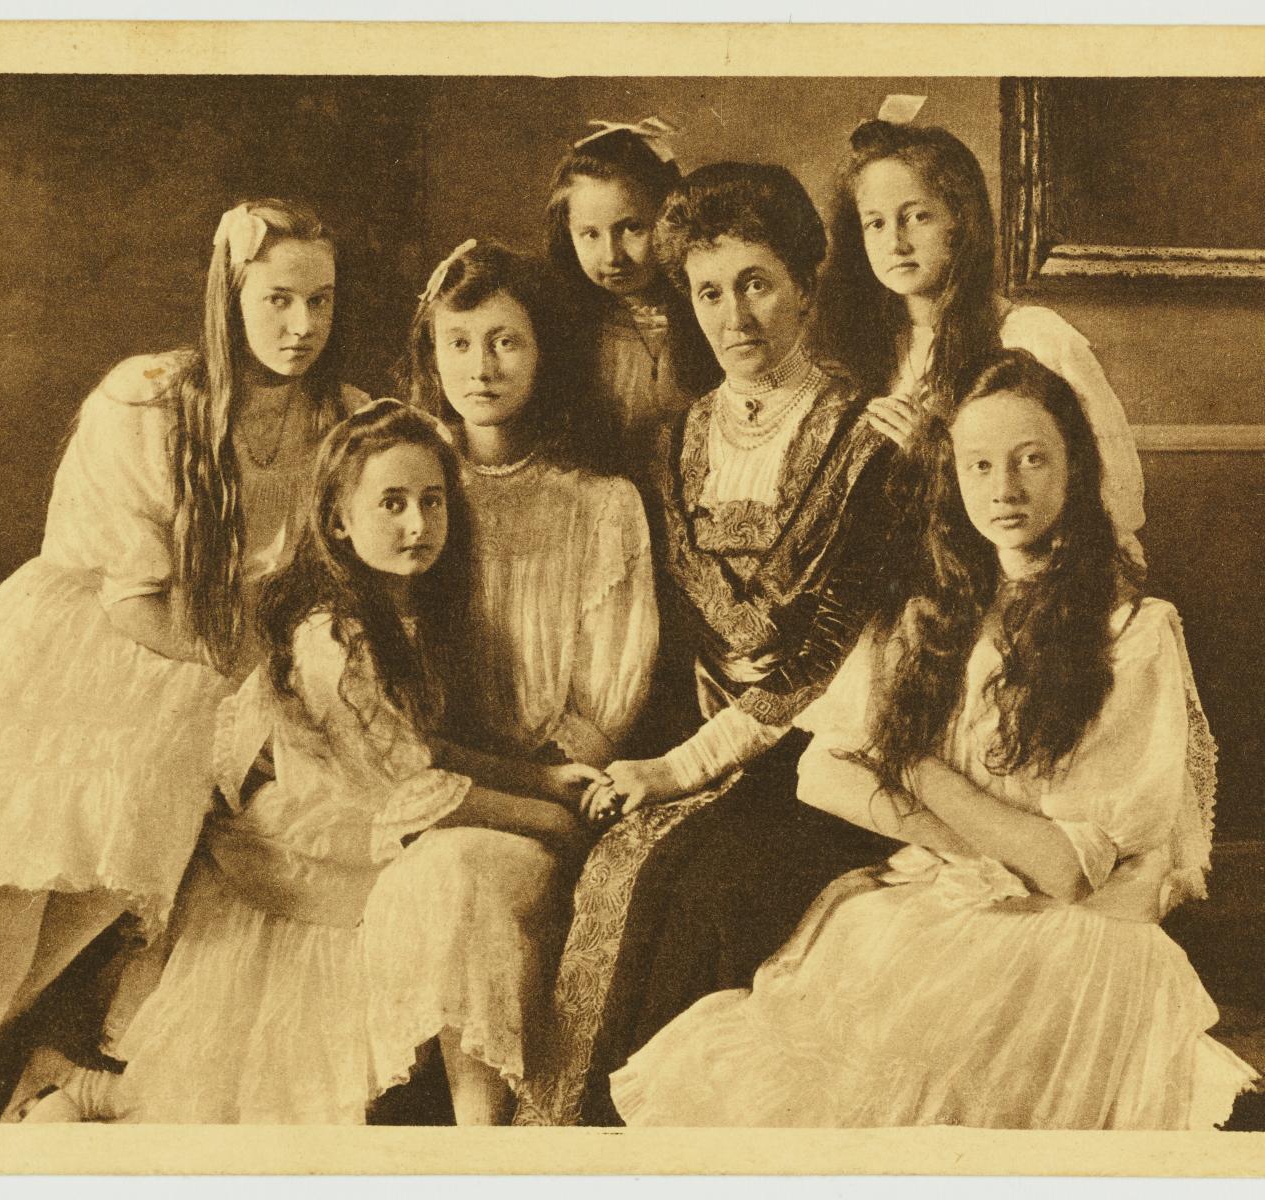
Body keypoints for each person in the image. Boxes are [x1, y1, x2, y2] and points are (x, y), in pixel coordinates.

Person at [612, 349, 1257, 1129]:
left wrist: (912, 765)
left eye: (1030, 461)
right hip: (955, 891)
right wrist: (962, 844)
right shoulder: (940, 608)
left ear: (1074, 471)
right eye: (979, 465)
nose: (1004, 489)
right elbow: (824, 770)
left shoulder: (1132, 634)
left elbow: (1065, 868)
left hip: (1079, 943)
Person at [0, 198, 363, 1121]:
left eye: (320, 300)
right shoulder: (149, 399)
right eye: (278, 299)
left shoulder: (340, 420)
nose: (302, 325)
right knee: (43, 826)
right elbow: (134, 601)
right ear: (231, 295)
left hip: (227, 662)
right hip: (105, 634)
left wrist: (279, 681)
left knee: (144, 825)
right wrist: (245, 673)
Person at [23, 400, 583, 1124]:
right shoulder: (336, 637)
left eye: (431, 501)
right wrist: (547, 816)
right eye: (392, 503)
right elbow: (411, 787)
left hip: (354, 841)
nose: (417, 524)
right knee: (261, 1099)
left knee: (256, 1097)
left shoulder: (402, 613)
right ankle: (73, 1092)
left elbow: (418, 746)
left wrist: (540, 777)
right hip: (310, 863)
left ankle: (78, 1090)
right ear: (340, 520)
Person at [515, 163, 898, 1127]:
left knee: (707, 895)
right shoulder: (670, 441)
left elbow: (824, 655)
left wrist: (680, 770)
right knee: (612, 857)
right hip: (688, 745)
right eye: (710, 290)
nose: (737, 316)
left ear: (808, 283)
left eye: (759, 282)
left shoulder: (869, 441)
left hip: (824, 765)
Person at [361, 241, 659, 1124]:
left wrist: (525, 788)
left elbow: (608, 700)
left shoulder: (600, 504)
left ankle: (483, 1142)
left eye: (505, 343)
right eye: (459, 344)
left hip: (536, 798)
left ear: (544, 353)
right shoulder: (410, 486)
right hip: (403, 781)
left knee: (458, 873)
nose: (480, 369)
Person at [812, 113, 1145, 566]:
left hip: (1020, 580)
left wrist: (934, 454)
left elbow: (1116, 501)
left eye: (917, 216)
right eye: (876, 223)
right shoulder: (862, 349)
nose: (896, 242)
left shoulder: (1033, 337)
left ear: (960, 222)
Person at [545, 118, 720, 472]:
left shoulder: (709, 314)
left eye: (632, 228)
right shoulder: (566, 328)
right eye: (590, 234)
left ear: (669, 220)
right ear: (568, 234)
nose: (612, 255)